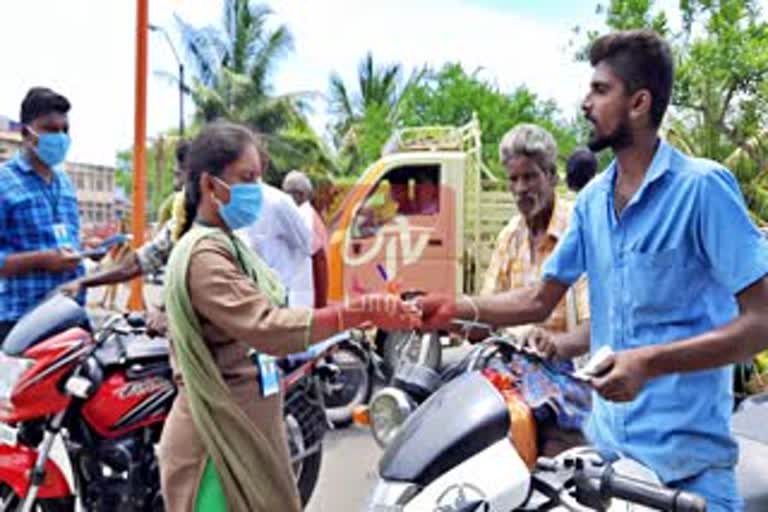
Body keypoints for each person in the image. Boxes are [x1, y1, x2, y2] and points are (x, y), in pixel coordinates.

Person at [419, 30, 768, 511]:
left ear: (639, 103)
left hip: (686, 480)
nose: (586, 102)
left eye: (601, 90)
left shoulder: (702, 190)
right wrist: (458, 307)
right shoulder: (592, 203)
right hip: (606, 469)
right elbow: (539, 299)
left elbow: (761, 321)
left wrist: (649, 362)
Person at [160, 121, 419, 511]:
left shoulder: (230, 244)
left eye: (259, 178)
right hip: (216, 444)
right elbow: (266, 327)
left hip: (244, 431)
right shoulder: (204, 257)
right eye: (246, 178)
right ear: (211, 186)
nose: (257, 191)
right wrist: (355, 312)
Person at [481, 124, 589, 359]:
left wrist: (550, 344)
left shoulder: (577, 229)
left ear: (551, 176)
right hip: (512, 369)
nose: (520, 189)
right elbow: (488, 312)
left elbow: (593, 327)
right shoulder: (509, 236)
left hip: (566, 372)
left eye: (529, 177)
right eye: (513, 179)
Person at [0, 87, 85, 342]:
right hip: (20, 324)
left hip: (69, 318)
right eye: (50, 129)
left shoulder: (65, 183)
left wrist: (86, 250)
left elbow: (67, 240)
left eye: (64, 130)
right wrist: (43, 260)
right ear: (27, 134)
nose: (60, 137)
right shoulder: (4, 182)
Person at [237, 175, 314, 307]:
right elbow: (307, 244)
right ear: (302, 194)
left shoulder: (237, 198)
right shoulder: (279, 202)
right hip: (279, 287)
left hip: (253, 285)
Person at [282, 170, 329, 307]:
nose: (284, 196)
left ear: (301, 194)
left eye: (288, 192)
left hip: (305, 294)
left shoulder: (306, 218)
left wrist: (321, 303)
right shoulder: (302, 215)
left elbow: (320, 259)